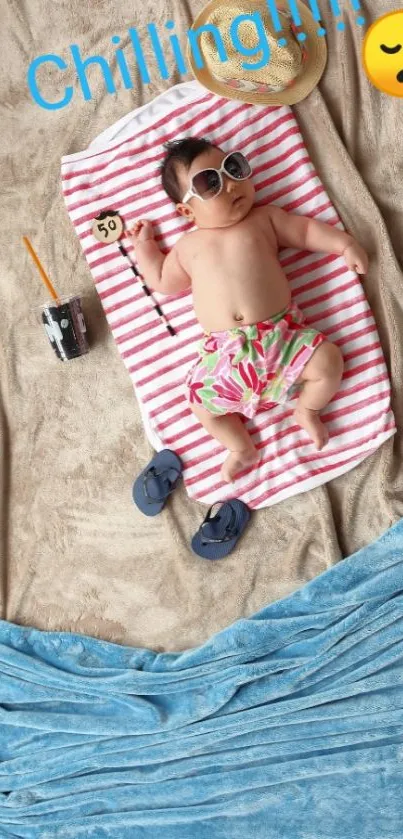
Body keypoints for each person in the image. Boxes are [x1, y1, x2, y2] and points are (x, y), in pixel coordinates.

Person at [128, 138, 368, 482]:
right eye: (209, 183)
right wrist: (144, 245)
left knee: (330, 361)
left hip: (283, 341)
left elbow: (304, 231)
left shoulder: (264, 220)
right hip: (226, 358)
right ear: (186, 211)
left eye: (234, 168)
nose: (229, 184)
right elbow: (163, 281)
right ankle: (240, 447)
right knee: (199, 403)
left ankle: (307, 409)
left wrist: (344, 244)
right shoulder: (187, 247)